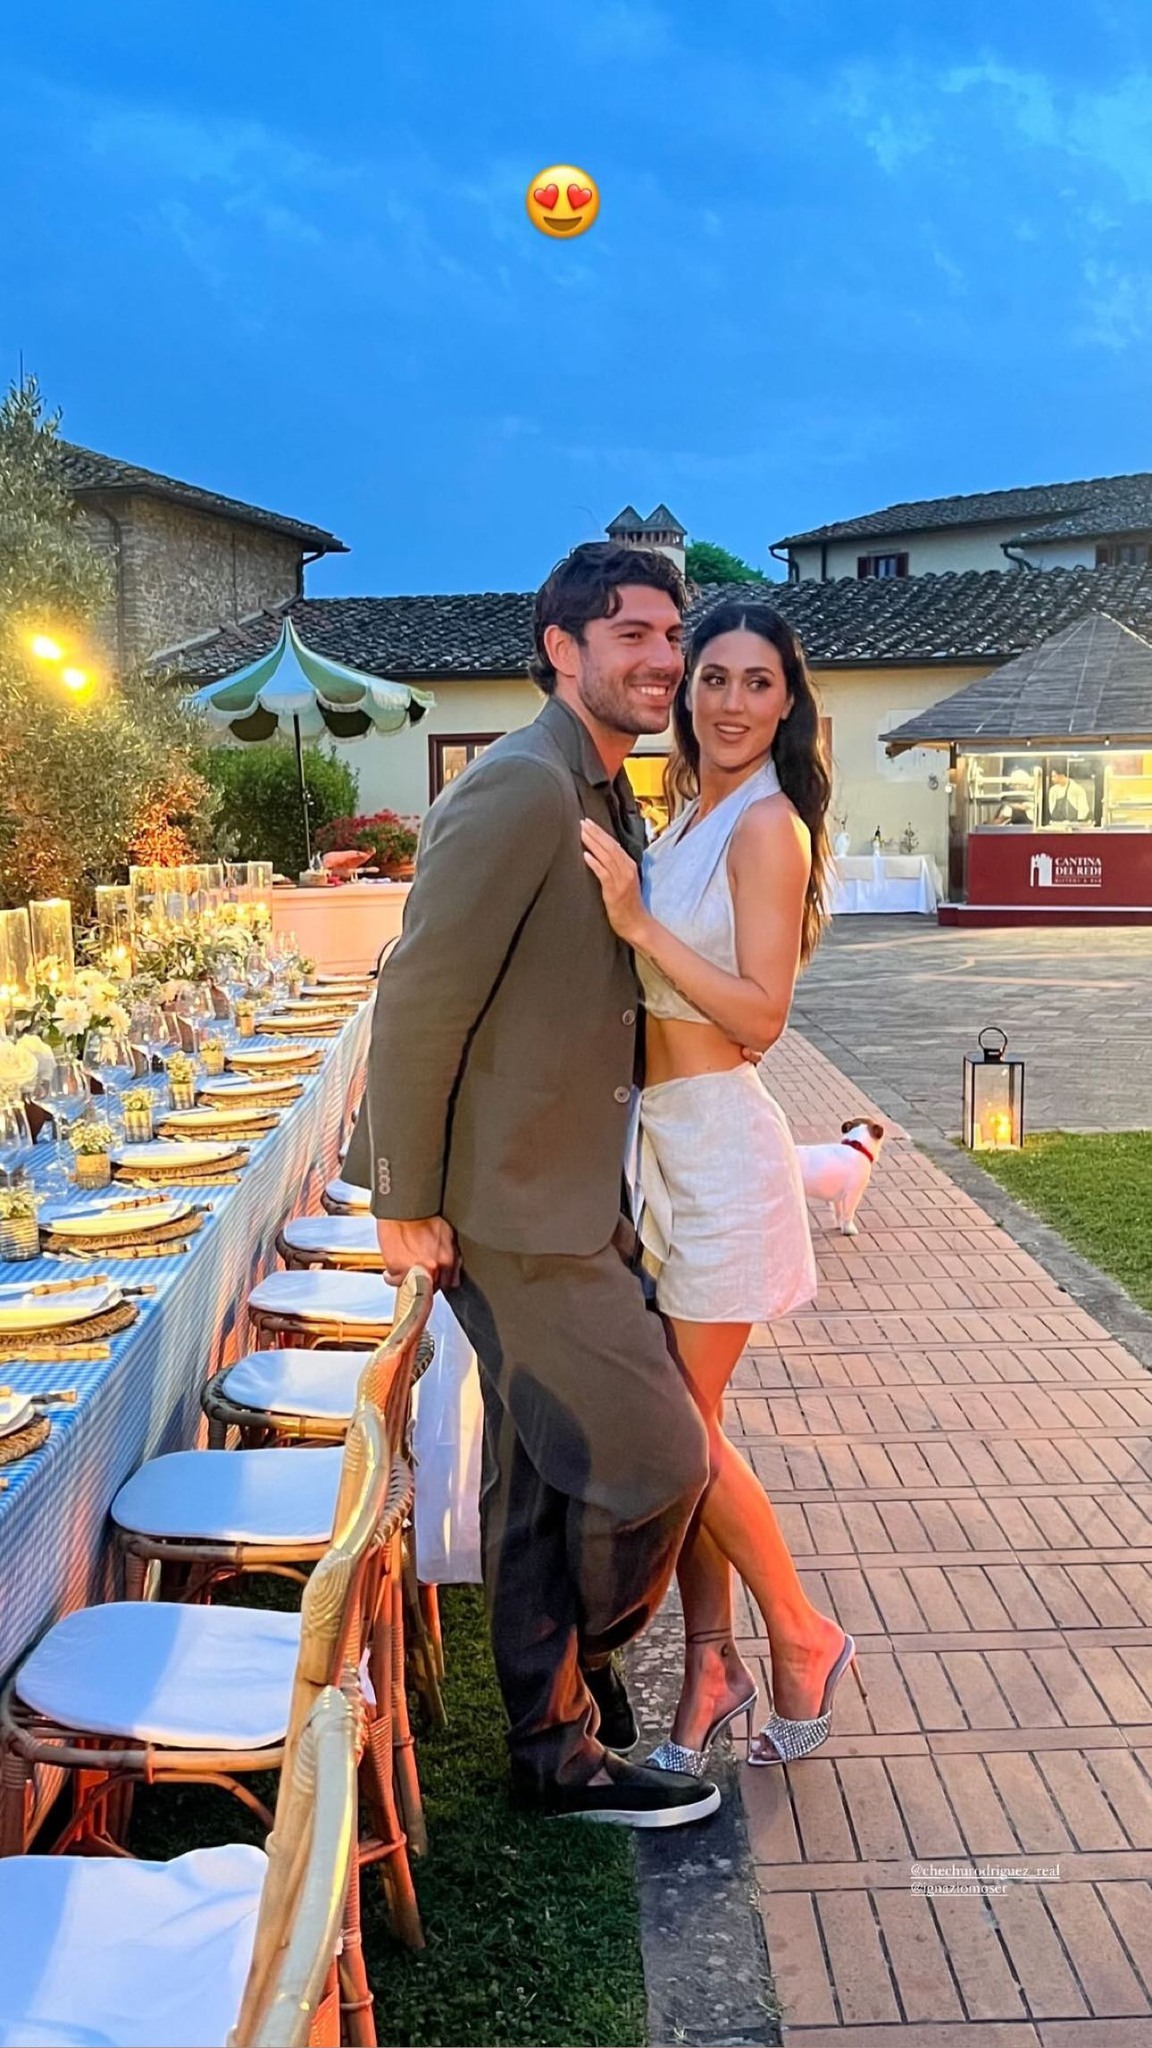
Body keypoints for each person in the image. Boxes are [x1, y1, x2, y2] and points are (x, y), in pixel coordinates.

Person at [345, 541, 719, 1829]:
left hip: (573, 1189)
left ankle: (550, 1742)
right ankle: (581, 1661)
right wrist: (401, 1195)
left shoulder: (605, 785)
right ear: (563, 649)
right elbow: (419, 996)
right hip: (510, 1209)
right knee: (656, 1460)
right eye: (633, 634)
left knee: (540, 1475)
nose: (664, 658)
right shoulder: (519, 785)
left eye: (671, 633)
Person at [581, 601, 857, 1774]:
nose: (732, 702)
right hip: (664, 1143)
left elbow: (763, 1013)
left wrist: (638, 922)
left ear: (788, 703)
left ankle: (801, 1632)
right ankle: (711, 1662)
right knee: (695, 1431)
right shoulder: (691, 809)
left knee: (675, 1430)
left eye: (757, 682)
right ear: (686, 691)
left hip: (722, 1155)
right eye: (714, 679)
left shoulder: (767, 825)